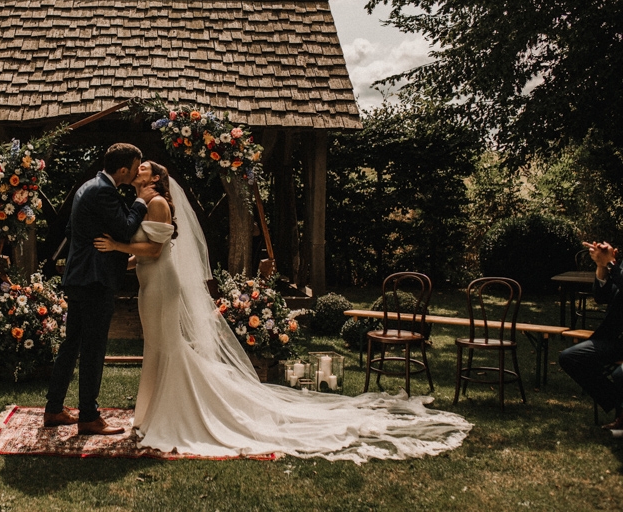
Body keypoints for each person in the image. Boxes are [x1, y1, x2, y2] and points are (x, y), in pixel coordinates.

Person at [94, 164, 472, 462]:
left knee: (166, 346)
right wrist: (119, 257)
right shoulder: (144, 205)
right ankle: (155, 412)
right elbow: (144, 250)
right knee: (158, 347)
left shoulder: (158, 202)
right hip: (151, 283)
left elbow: (156, 253)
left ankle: (172, 414)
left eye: (144, 168)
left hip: (161, 285)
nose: (139, 169)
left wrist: (115, 246)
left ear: (157, 179)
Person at [44, 143, 158, 435]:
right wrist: (142, 202)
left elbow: (73, 232)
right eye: (135, 168)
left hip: (80, 276)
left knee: (72, 345)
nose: (136, 173)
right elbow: (125, 229)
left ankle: (54, 409)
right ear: (123, 170)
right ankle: (89, 417)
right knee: (93, 349)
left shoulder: (89, 187)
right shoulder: (104, 191)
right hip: (95, 280)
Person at [559, 241, 623, 430]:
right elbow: (602, 297)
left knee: (620, 373)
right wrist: (602, 266)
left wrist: (610, 263)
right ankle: (619, 406)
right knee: (571, 358)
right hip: (616, 340)